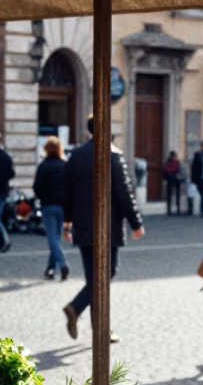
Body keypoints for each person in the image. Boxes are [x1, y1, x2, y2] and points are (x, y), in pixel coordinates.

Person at [62, 115, 144, 342]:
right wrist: (136, 222)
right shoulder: (113, 155)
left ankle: (100, 328)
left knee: (94, 278)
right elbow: (124, 193)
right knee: (106, 276)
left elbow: (67, 194)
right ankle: (78, 309)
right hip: (108, 228)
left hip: (82, 226)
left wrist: (67, 223)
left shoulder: (76, 156)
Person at [33, 136, 68, 280]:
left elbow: (37, 186)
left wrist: (42, 197)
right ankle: (50, 268)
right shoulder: (65, 165)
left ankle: (63, 264)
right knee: (56, 237)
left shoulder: (43, 166)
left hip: (48, 205)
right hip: (63, 205)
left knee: (52, 237)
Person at [163, 150, 184, 215]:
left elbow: (180, 170)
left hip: (176, 180)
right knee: (169, 195)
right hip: (171, 180)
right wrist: (175, 176)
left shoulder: (176, 162)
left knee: (177, 195)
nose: (175, 157)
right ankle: (169, 210)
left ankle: (177, 209)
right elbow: (166, 172)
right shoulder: (168, 163)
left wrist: (179, 176)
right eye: (175, 156)